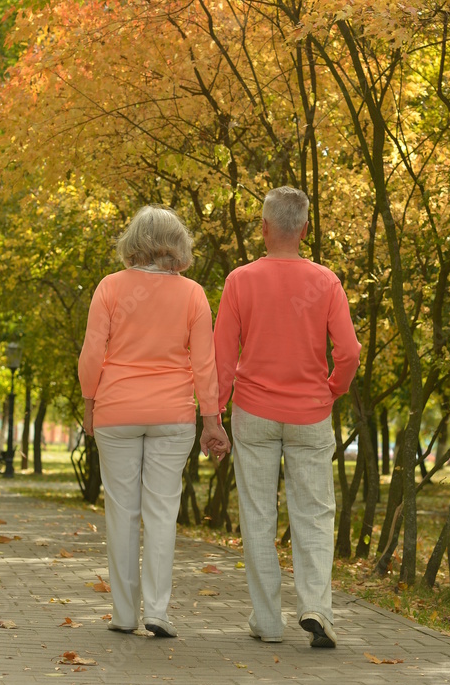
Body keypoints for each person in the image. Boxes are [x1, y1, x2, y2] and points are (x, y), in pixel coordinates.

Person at [214, 187, 361, 648]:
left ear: (263, 227)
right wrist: (332, 390)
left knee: (258, 513)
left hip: (253, 412)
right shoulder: (326, 281)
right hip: (310, 415)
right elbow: (350, 351)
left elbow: (222, 355)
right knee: (315, 514)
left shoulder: (240, 280)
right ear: (304, 229)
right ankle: (316, 606)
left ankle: (267, 620)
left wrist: (214, 414)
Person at [78, 205, 230, 638]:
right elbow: (204, 364)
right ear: (177, 245)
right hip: (173, 414)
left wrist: (89, 403)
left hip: (117, 410)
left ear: (133, 241)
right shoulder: (193, 294)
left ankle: (124, 615)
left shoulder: (109, 287)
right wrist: (212, 420)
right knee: (163, 511)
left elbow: (93, 354)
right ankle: (157, 612)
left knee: (121, 512)